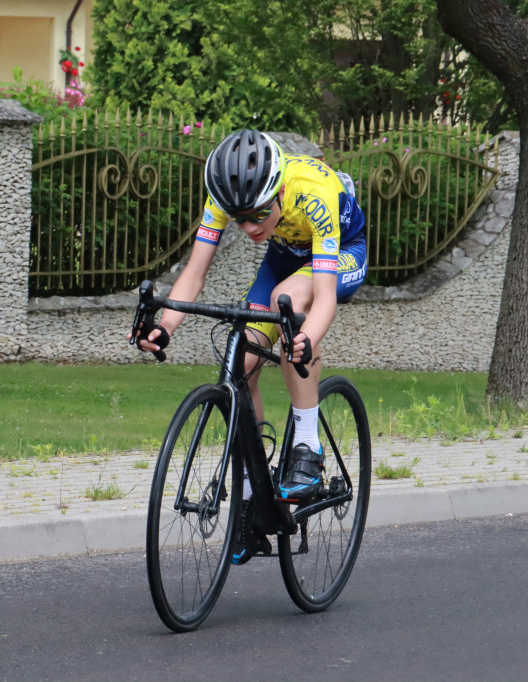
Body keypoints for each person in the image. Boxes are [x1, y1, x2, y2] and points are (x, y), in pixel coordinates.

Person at [133, 128, 367, 564]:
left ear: (278, 192)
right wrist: (165, 326)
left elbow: (325, 298)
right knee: (242, 361)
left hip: (341, 253)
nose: (249, 227)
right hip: (284, 258)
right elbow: (194, 273)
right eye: (240, 219)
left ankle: (307, 447)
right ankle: (256, 487)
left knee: (292, 305)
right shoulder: (225, 199)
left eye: (259, 215)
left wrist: (304, 341)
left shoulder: (312, 194)